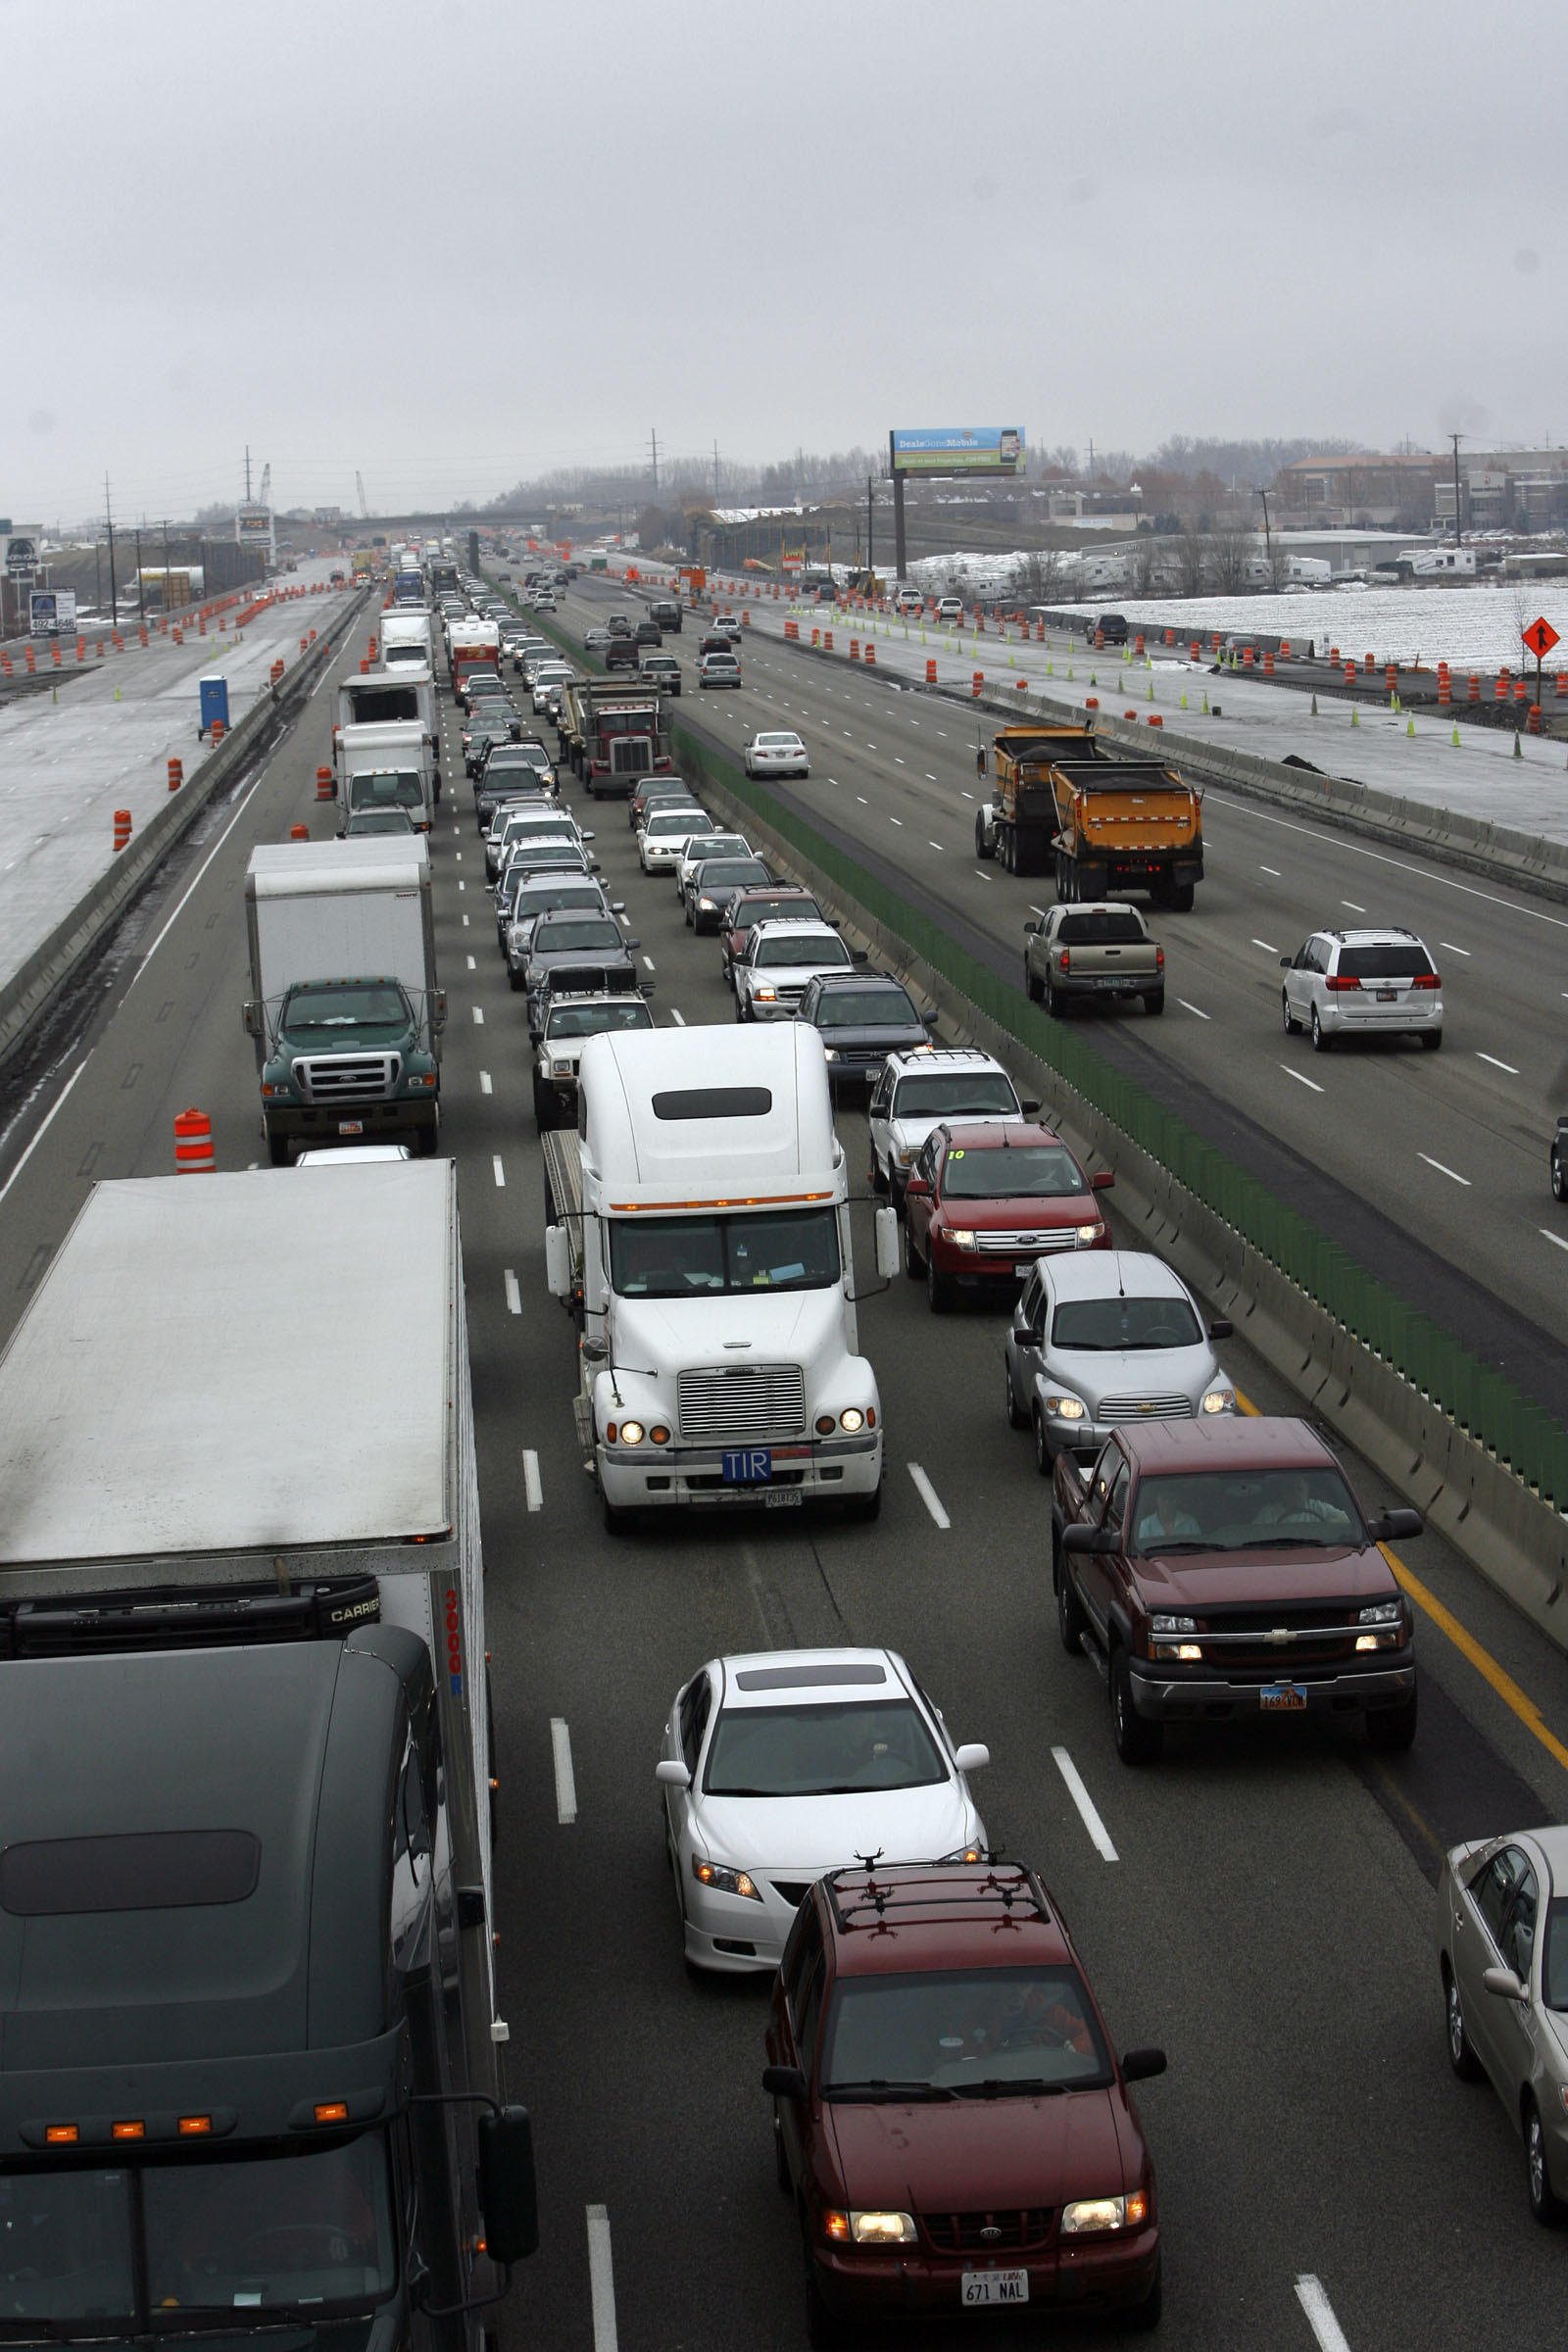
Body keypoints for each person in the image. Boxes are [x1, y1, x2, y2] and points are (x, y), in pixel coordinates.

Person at [1133, 1482, 1202, 1550]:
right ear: (1157, 1501)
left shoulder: (1190, 1523)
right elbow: (1141, 1551)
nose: (1167, 1504)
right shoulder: (1145, 1525)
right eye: (1164, 1499)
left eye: (1172, 1499)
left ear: (1178, 1501)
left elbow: (1198, 1548)